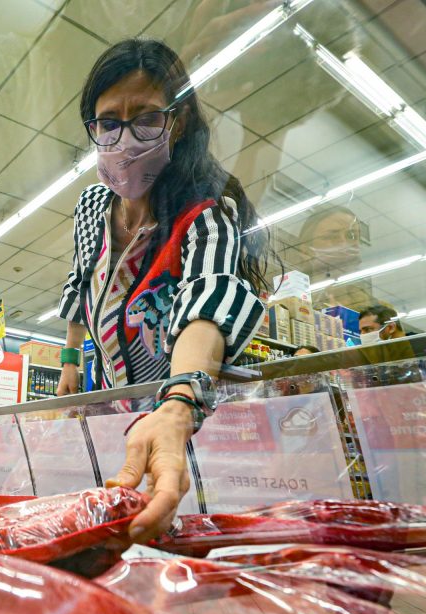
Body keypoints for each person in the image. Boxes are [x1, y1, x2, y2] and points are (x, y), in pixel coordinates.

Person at [55, 39, 269, 543]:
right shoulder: (92, 206)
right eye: (109, 123)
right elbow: (81, 276)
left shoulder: (207, 210)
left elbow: (207, 300)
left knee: (184, 534)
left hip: (190, 419)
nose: (125, 139)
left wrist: (179, 404)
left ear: (180, 120)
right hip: (121, 411)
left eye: (147, 119)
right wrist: (69, 361)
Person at [298, 205, 373, 311]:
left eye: (351, 236)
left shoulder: (375, 312)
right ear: (305, 251)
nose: (344, 244)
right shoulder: (293, 302)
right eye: (331, 237)